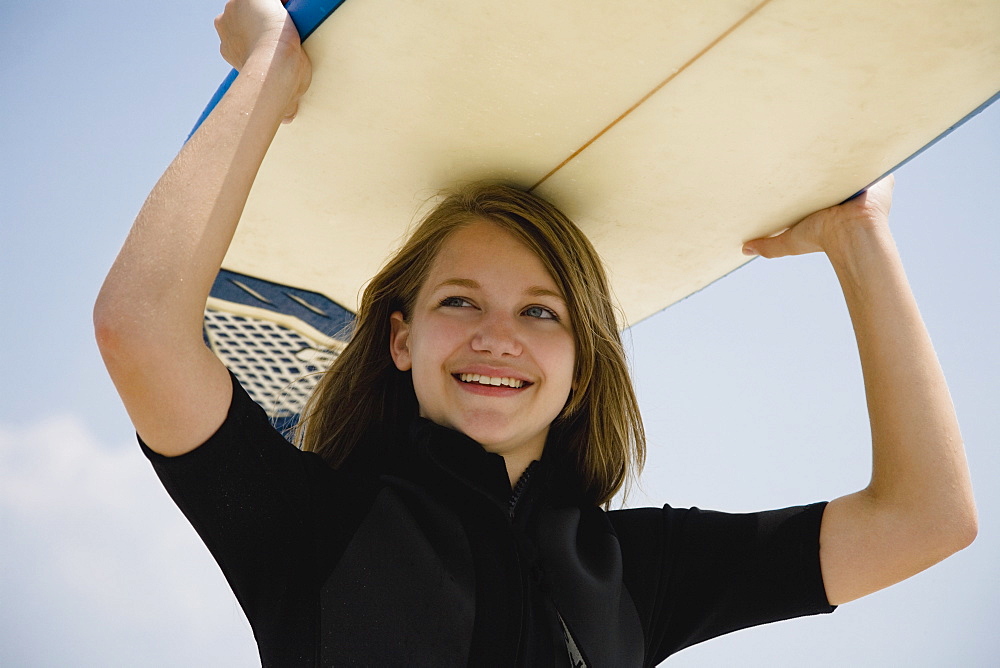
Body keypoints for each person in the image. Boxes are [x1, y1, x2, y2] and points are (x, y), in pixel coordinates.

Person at [93, 1, 977, 665]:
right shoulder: (312, 522)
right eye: (458, 303)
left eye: (540, 313)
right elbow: (142, 331)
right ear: (400, 341)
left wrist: (860, 242)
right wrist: (269, 71)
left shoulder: (638, 571)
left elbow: (925, 520)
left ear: (582, 365)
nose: (496, 336)